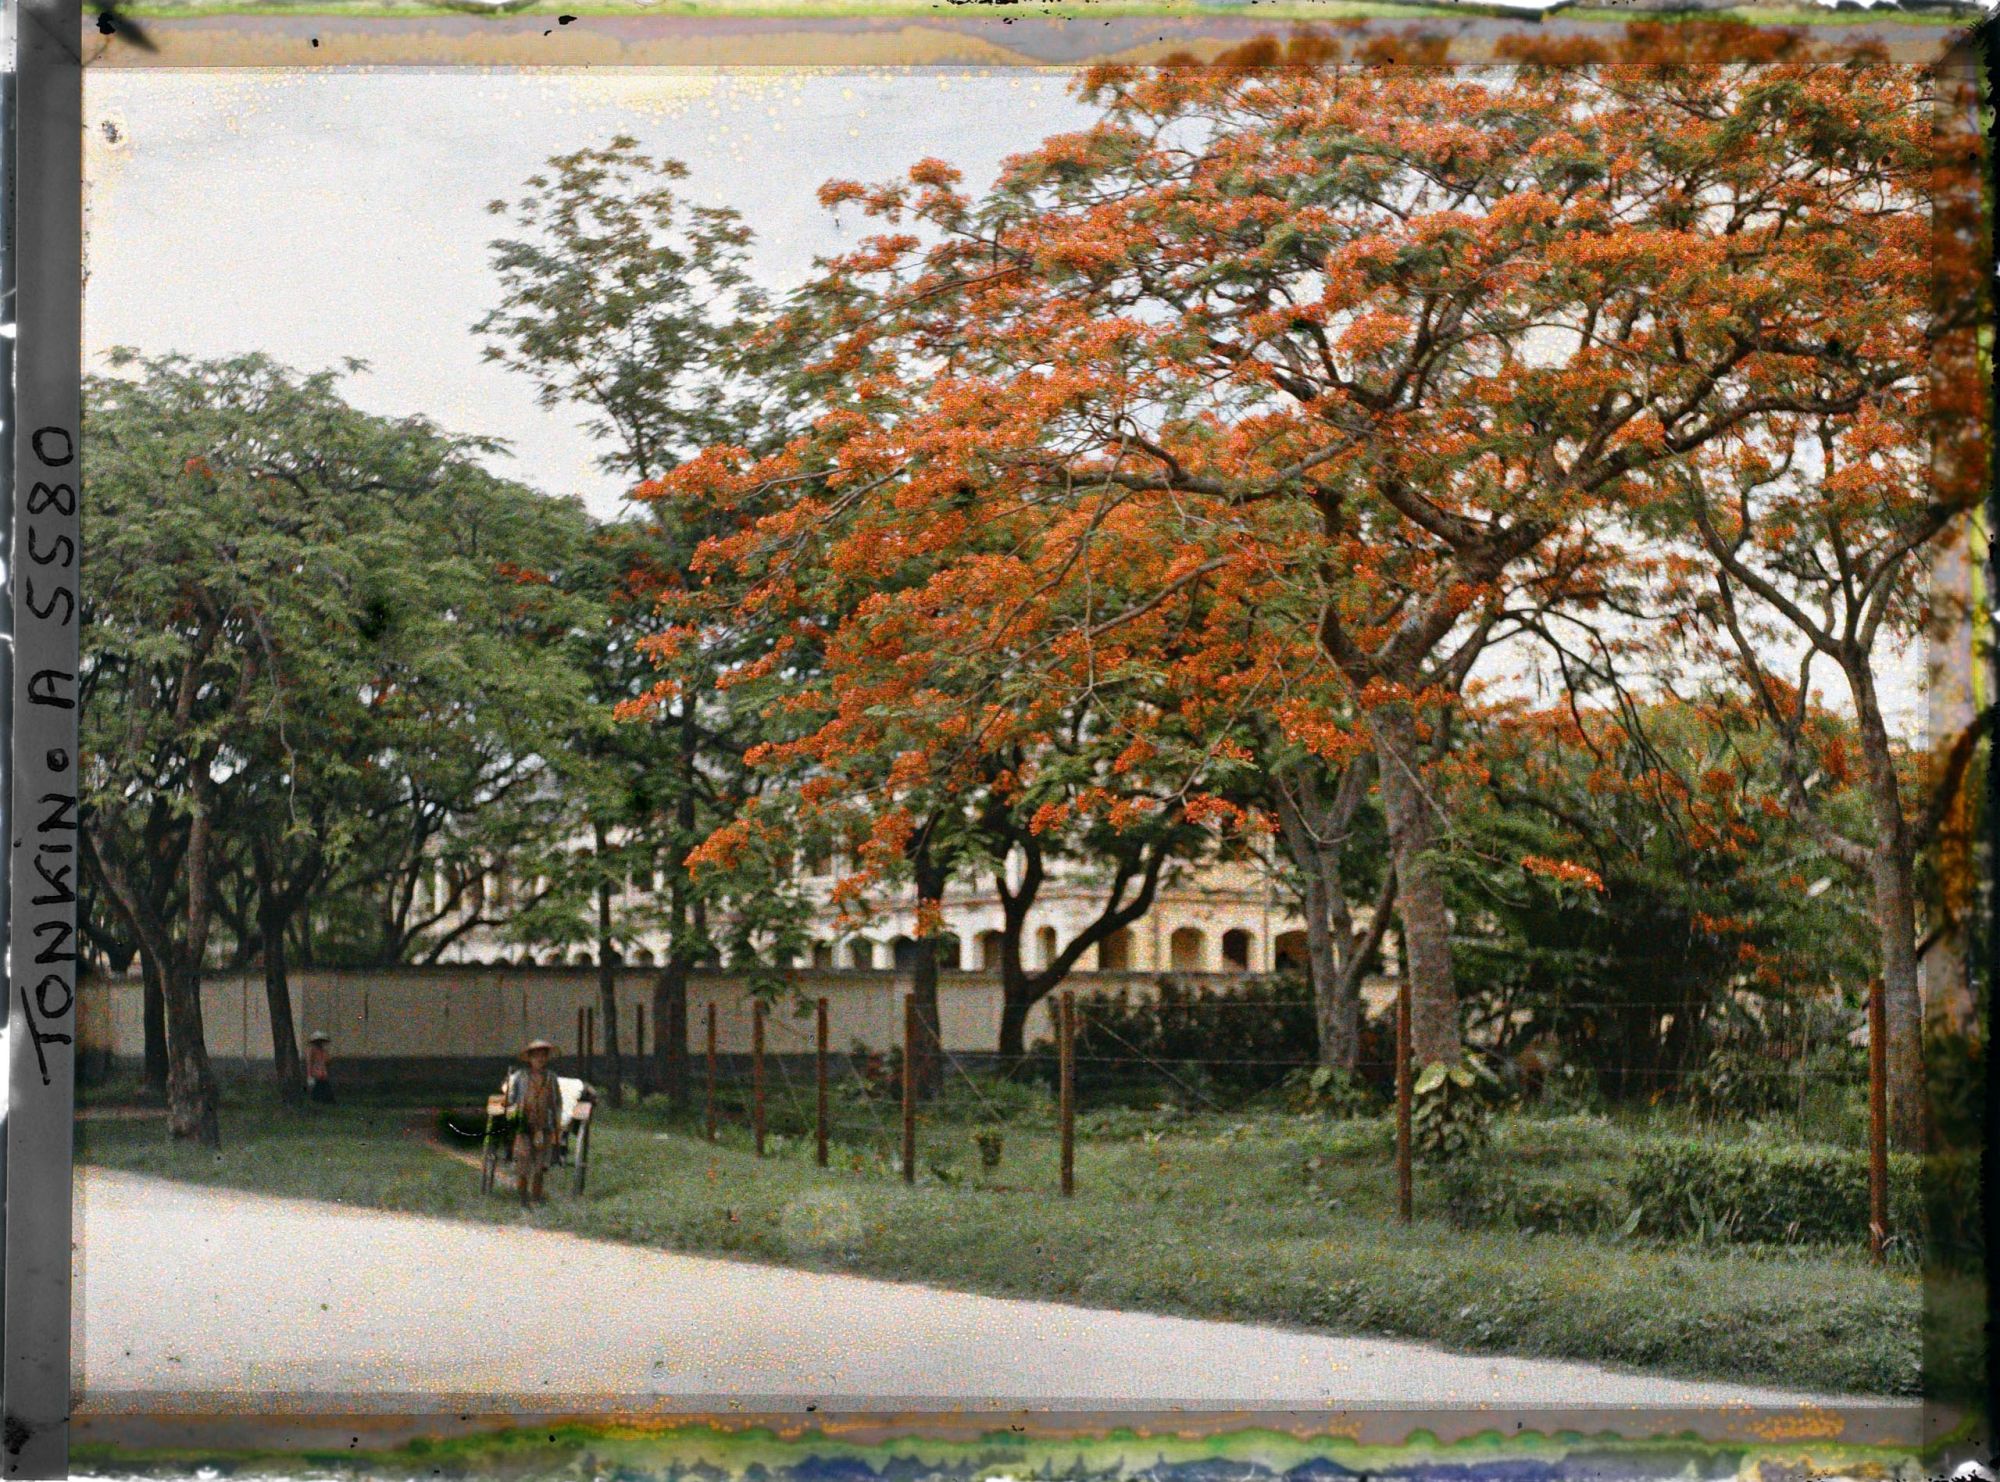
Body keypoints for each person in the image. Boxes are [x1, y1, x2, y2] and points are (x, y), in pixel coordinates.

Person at [504, 1039, 563, 1207]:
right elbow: (510, 1099)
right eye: (536, 1056)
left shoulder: (551, 1078)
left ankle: (536, 1199)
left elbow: (556, 1102)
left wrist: (556, 1123)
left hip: (543, 1128)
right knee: (523, 1164)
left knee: (539, 1166)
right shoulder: (520, 1077)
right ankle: (523, 1199)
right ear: (529, 1059)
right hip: (524, 1127)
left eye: (543, 1056)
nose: (540, 1059)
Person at [304, 1031, 335, 1104]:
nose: (319, 1043)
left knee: (324, 1087)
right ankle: (317, 1101)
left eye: (321, 1041)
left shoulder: (324, 1051)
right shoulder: (311, 1051)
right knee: (317, 1088)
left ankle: (325, 1101)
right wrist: (309, 1075)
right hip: (316, 1073)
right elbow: (309, 1063)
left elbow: (327, 1061)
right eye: (318, 1041)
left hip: (323, 1072)